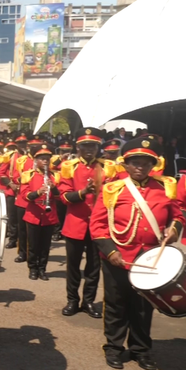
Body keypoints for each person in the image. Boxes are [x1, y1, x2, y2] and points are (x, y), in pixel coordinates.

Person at [90, 136, 183, 370]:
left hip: (150, 258)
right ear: (125, 163)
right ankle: (114, 348)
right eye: (135, 162)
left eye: (146, 162)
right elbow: (98, 225)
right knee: (116, 304)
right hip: (118, 257)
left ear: (154, 165)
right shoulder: (112, 189)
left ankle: (141, 349)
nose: (140, 166)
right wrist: (110, 251)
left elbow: (178, 217)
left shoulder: (165, 187)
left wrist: (174, 231)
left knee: (143, 308)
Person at [58, 128, 108, 319]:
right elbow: (64, 197)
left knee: (94, 267)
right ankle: (72, 300)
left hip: (98, 225)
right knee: (73, 266)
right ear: (78, 147)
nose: (90, 149)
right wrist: (83, 192)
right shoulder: (69, 167)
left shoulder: (107, 167)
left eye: (93, 146)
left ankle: (88, 301)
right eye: (86, 146)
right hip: (75, 224)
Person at [22, 145, 60, 281]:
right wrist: (38, 192)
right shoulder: (29, 175)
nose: (45, 161)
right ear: (36, 160)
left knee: (45, 246)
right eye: (42, 159)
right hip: (34, 214)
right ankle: (32, 268)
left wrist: (54, 188)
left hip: (49, 215)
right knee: (33, 245)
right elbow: (24, 195)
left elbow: (60, 197)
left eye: (47, 159)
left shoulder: (55, 176)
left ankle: (42, 269)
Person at [0, 140, 20, 249]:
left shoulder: (29, 158)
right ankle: (12, 239)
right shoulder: (9, 157)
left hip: (24, 190)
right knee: (12, 216)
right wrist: (10, 184)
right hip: (12, 189)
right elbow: (1, 173)